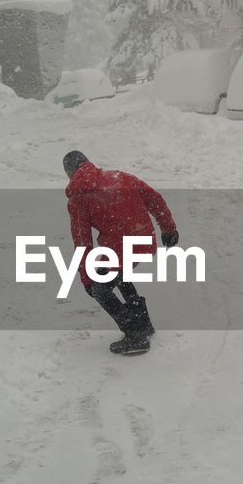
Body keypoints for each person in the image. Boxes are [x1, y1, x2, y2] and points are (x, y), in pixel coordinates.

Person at [63, 150, 178, 355]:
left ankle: (136, 334)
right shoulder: (120, 177)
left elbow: (82, 242)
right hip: (144, 241)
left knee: (101, 289)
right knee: (120, 275)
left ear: (70, 174)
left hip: (119, 249)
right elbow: (155, 199)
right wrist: (168, 229)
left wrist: (86, 279)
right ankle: (144, 324)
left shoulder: (78, 199)